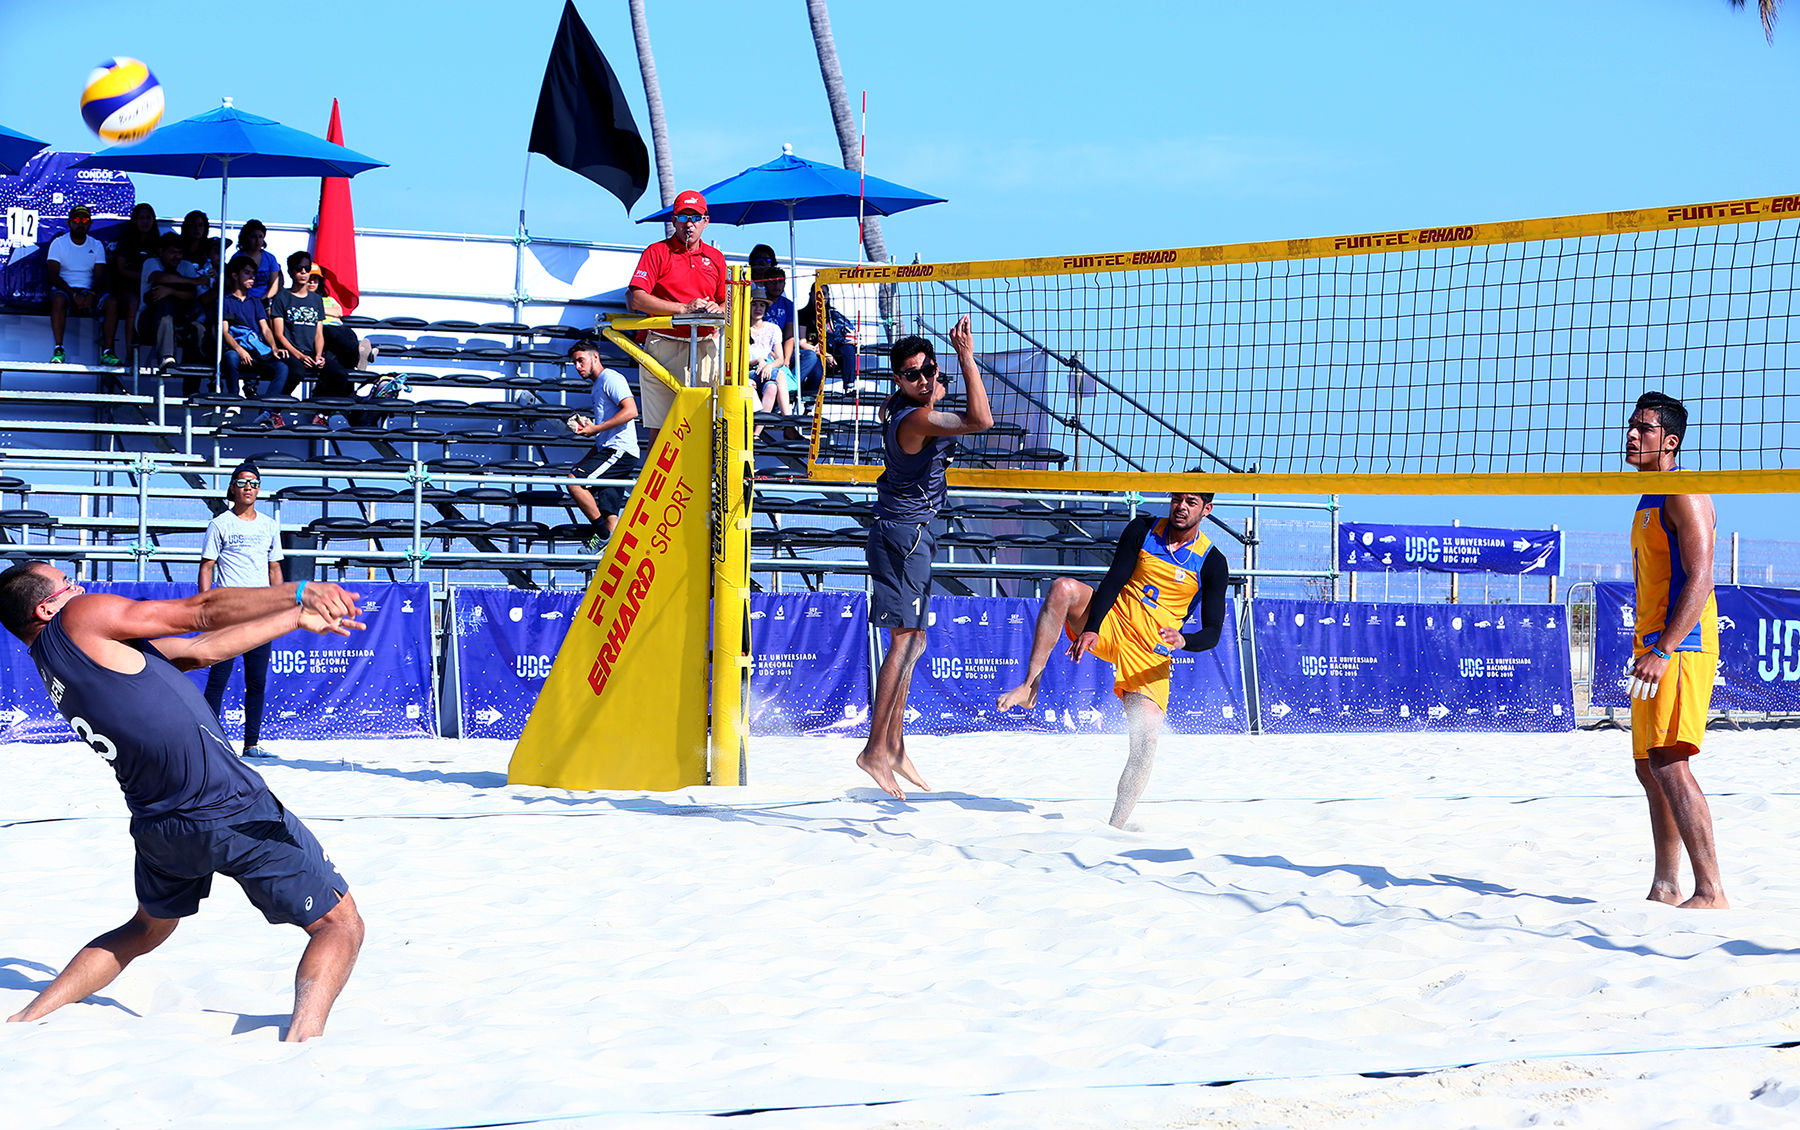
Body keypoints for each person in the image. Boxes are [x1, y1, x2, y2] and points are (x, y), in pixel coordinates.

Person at [0, 558, 365, 1041]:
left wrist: (292, 620)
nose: (80, 585)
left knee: (145, 930)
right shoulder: (80, 617)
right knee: (340, 923)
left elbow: (198, 650)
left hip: (160, 826)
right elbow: (199, 611)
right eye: (68, 583)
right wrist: (297, 592)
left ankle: (26, 1019)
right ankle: (303, 1043)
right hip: (228, 807)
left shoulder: (60, 659)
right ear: (47, 608)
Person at [996, 490, 1230, 828]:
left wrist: (1184, 640)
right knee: (1063, 588)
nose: (1181, 507)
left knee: (1146, 742)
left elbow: (1212, 632)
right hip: (1111, 622)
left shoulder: (1212, 561)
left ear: (1206, 509)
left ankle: (1115, 827)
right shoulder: (1143, 530)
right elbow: (1113, 580)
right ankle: (1029, 686)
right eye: (1177, 498)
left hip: (1150, 653)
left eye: (1191, 502)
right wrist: (1091, 628)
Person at [855, 316, 992, 800]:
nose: (925, 378)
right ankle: (875, 750)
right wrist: (966, 356)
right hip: (902, 538)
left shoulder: (909, 402)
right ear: (898, 379)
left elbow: (934, 397)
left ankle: (893, 747)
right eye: (913, 373)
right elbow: (982, 421)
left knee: (914, 642)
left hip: (912, 535)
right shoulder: (914, 418)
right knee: (904, 643)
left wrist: (935, 378)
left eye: (929, 369)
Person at [1624, 391, 1726, 909]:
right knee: (1649, 766)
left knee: (1671, 762)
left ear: (1670, 442)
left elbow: (1703, 578)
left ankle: (1711, 890)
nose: (1632, 435)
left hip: (1680, 646)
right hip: (1655, 643)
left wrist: (1664, 648)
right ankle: (1667, 885)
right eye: (1631, 426)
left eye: (1644, 429)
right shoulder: (1649, 496)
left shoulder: (1682, 492)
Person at [200, 462, 285, 759]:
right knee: (219, 677)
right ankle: (211, 741)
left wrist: (280, 604)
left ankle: (251, 744)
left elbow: (275, 569)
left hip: (261, 613)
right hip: (228, 613)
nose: (248, 487)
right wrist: (205, 606)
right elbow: (206, 567)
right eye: (242, 482)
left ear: (259, 489)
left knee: (257, 681)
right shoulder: (220, 524)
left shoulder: (269, 526)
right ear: (232, 487)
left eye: (254, 482)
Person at [627, 189, 728, 436]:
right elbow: (636, 299)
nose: (689, 224)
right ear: (673, 220)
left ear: (706, 221)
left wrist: (719, 308)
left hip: (704, 346)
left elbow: (728, 303)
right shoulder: (656, 252)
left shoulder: (716, 258)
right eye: (683, 217)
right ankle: (656, 476)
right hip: (664, 344)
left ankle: (700, 476)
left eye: (695, 217)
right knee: (662, 430)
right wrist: (683, 309)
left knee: (702, 425)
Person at [563, 340, 639, 553]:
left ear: (595, 357)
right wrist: (588, 451)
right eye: (575, 363)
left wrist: (596, 429)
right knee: (610, 513)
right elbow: (604, 434)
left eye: (581, 360)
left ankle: (602, 535)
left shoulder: (610, 378)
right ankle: (608, 556)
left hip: (619, 451)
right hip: (613, 450)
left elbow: (631, 411)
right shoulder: (598, 386)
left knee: (574, 482)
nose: (578, 366)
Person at [271, 251, 353, 400]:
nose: (303, 272)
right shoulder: (281, 297)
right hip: (291, 353)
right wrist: (299, 356)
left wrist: (319, 355)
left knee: (340, 375)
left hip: (312, 353)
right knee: (297, 372)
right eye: (299, 268)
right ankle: (273, 410)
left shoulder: (316, 300)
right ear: (290, 272)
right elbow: (279, 334)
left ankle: (321, 413)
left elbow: (319, 332)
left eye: (307, 268)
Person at [46, 204, 120, 366]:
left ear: (90, 224)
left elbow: (100, 276)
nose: (81, 223)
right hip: (65, 290)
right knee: (58, 299)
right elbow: (52, 275)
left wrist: (91, 295)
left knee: (112, 303)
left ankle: (108, 351)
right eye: (77, 219)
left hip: (89, 292)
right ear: (69, 223)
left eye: (85, 219)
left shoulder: (96, 245)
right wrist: (73, 294)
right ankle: (59, 349)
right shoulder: (58, 243)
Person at [216, 255, 289, 399]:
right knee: (231, 357)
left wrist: (274, 347)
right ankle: (234, 400)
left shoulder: (255, 302)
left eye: (253, 274)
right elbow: (224, 331)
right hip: (236, 350)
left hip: (256, 350)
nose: (252, 277)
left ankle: (268, 408)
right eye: (247, 273)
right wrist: (240, 350)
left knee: (283, 367)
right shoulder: (224, 301)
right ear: (235, 275)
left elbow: (266, 328)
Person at [137, 234, 202, 371]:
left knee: (198, 328)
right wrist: (193, 281)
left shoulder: (186, 266)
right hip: (149, 322)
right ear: (161, 251)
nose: (177, 257)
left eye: (180, 253)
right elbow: (160, 278)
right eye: (173, 252)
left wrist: (171, 291)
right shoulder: (151, 262)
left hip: (179, 321)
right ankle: (166, 357)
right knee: (164, 304)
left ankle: (192, 382)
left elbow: (191, 295)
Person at [110, 203, 160, 351]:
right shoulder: (126, 240)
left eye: (148, 218)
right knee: (134, 302)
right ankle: (130, 350)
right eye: (141, 218)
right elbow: (121, 269)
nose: (145, 222)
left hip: (150, 288)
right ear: (135, 220)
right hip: (127, 288)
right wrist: (144, 278)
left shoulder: (158, 242)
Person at [747, 290, 795, 429]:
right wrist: (758, 361)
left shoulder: (773, 328)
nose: (758, 308)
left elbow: (780, 359)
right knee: (779, 374)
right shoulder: (742, 329)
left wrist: (768, 365)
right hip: (747, 370)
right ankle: (789, 423)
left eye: (762, 305)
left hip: (766, 370)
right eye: (754, 304)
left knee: (772, 387)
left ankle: (757, 434)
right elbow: (738, 359)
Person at [800, 284, 861, 393]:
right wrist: (825, 354)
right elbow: (802, 342)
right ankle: (809, 404)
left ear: (828, 296)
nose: (821, 297)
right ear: (811, 295)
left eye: (824, 294)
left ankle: (849, 386)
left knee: (848, 349)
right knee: (817, 371)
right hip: (814, 353)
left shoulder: (834, 315)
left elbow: (848, 336)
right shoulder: (803, 314)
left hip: (833, 352)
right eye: (818, 293)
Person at [235, 219, 282, 304]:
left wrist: (261, 300)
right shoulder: (237, 257)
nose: (257, 241)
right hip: (242, 302)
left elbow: (274, 286)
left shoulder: (270, 258)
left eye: (260, 237)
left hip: (264, 302)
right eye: (253, 237)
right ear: (246, 238)